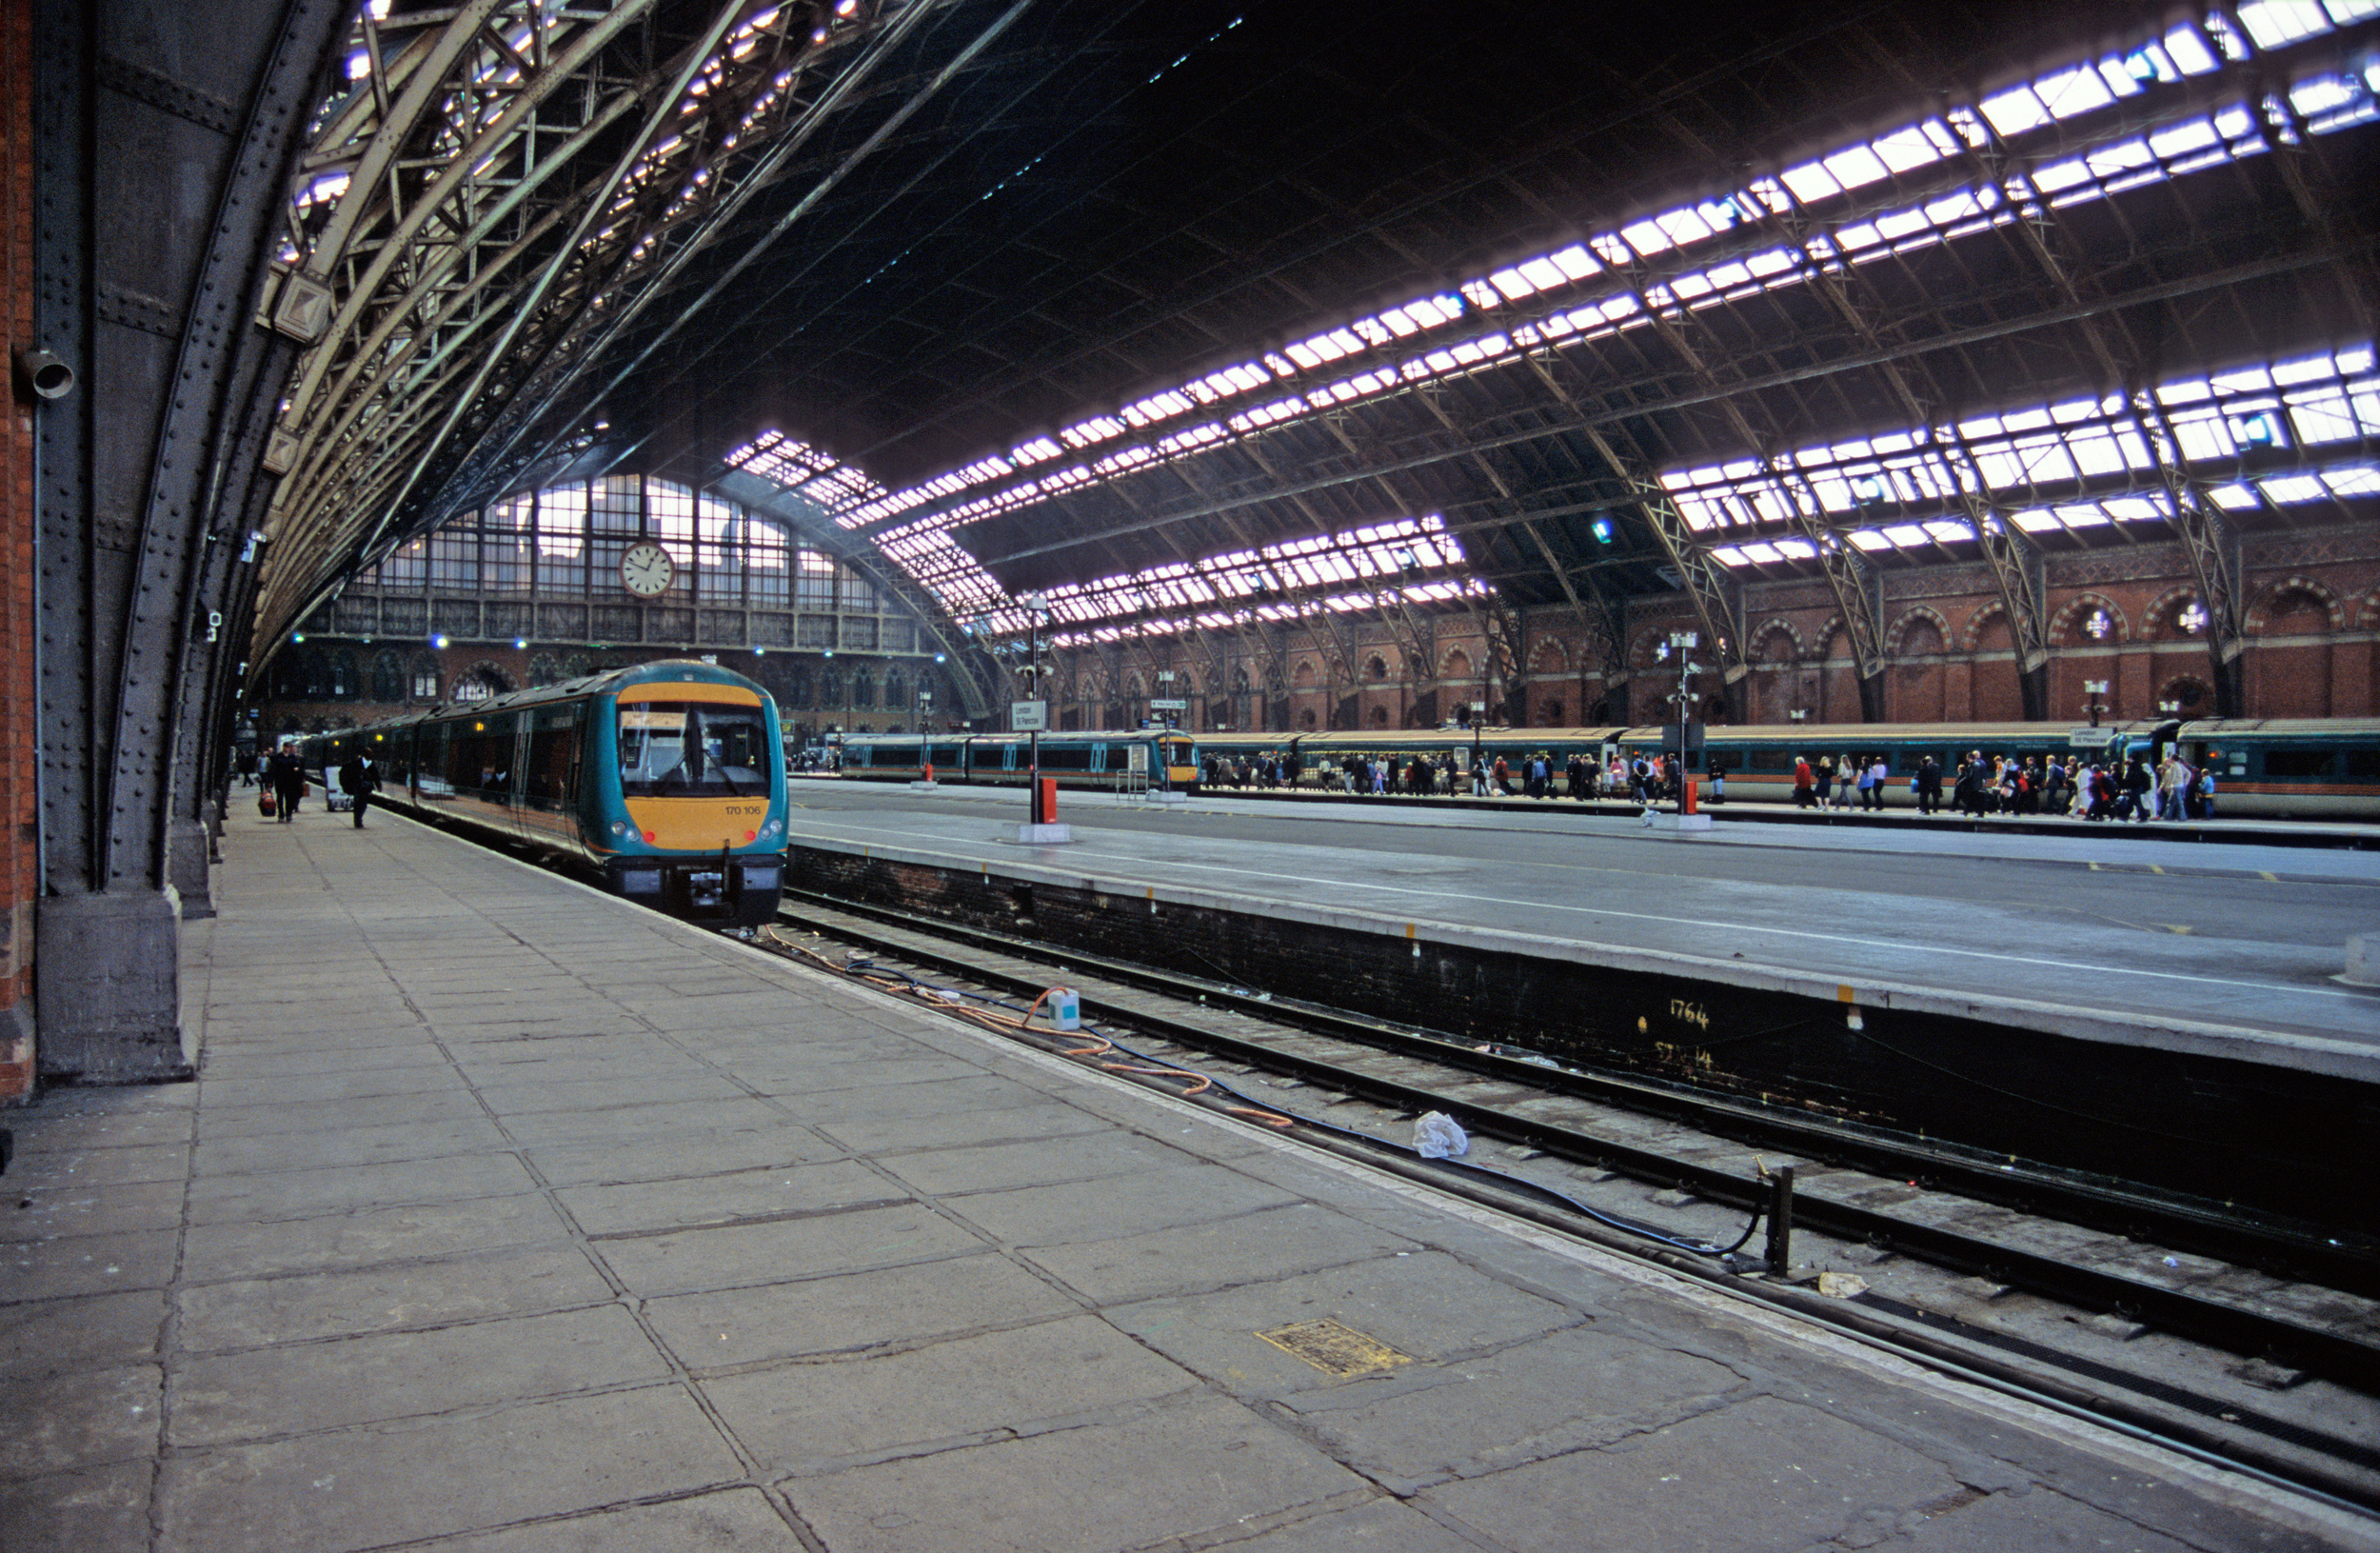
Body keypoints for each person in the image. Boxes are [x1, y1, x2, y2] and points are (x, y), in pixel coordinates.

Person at [340, 749, 379, 828]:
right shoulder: (355, 763)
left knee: (363, 805)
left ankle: (358, 818)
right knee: (358, 803)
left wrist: (378, 785)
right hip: (357, 787)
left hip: (365, 788)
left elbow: (375, 775)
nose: (370, 755)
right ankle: (357, 820)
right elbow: (348, 773)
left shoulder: (371, 764)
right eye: (369, 754)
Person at [268, 743, 306, 823]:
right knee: (280, 799)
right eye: (286, 747)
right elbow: (273, 770)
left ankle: (288, 814)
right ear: (283, 747)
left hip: (290, 781)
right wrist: (270, 782)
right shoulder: (277, 757)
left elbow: (298, 767)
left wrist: (297, 770)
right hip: (279, 781)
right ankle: (281, 815)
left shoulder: (292, 757)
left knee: (289, 799)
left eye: (289, 747)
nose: (287, 749)